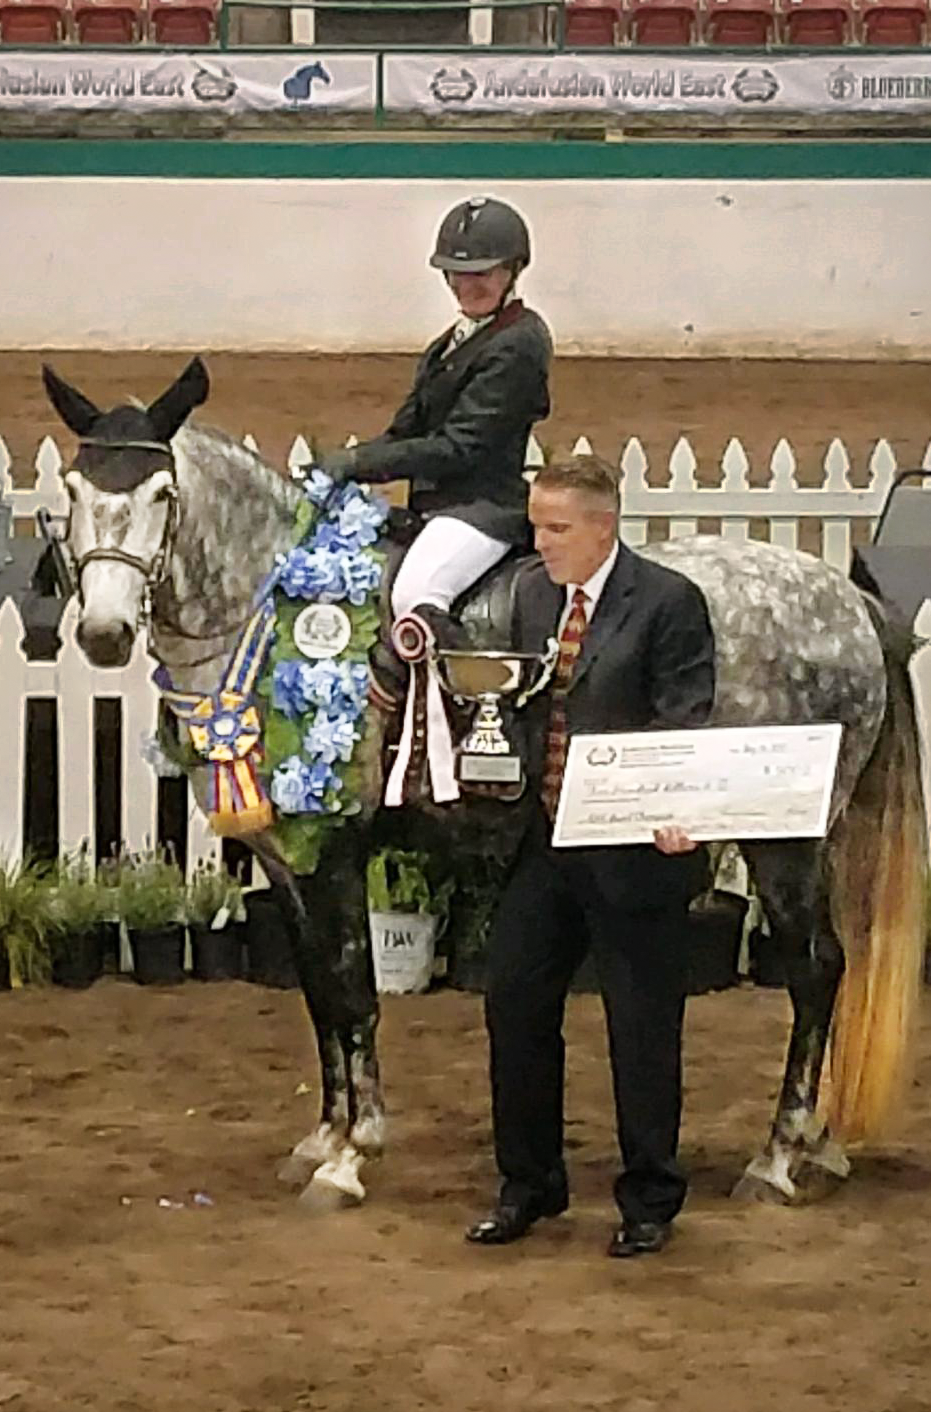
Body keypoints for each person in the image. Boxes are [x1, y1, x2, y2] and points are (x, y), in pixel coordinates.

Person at [465, 453, 716, 1259]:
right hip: (545, 837)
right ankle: (528, 1183)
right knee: (513, 1001)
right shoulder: (532, 595)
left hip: (633, 851)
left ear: (603, 528)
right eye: (536, 524)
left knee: (641, 1026)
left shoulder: (668, 602)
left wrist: (675, 810)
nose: (539, 542)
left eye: (555, 527)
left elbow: (684, 717)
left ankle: (649, 1197)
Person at [322, 195, 552, 691]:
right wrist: (347, 468)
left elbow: (459, 446)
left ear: (513, 271)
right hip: (437, 508)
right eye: (457, 273)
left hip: (483, 510)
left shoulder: (519, 343)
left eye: (483, 274)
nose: (468, 285)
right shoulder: (453, 340)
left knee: (414, 595)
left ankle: (473, 702)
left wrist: (362, 462)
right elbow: (407, 431)